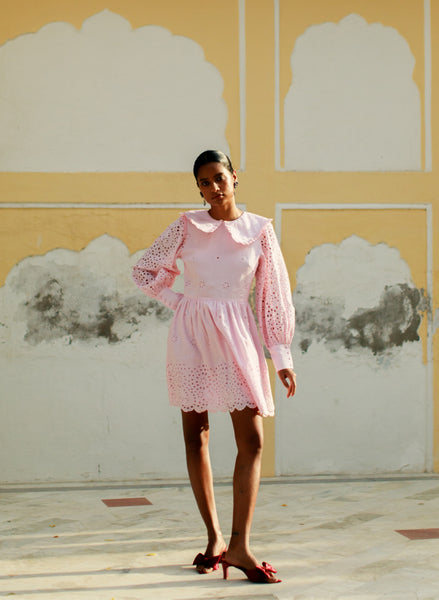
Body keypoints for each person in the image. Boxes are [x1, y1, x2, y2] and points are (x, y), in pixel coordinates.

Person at [132, 150, 296, 584]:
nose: (213, 188)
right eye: (204, 182)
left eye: (219, 178)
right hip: (191, 332)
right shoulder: (186, 225)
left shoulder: (259, 230)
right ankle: (216, 538)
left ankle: (241, 544)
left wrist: (281, 355)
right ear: (199, 188)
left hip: (238, 332)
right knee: (196, 434)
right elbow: (145, 271)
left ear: (234, 177)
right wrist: (182, 302)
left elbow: (273, 294)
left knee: (252, 441)